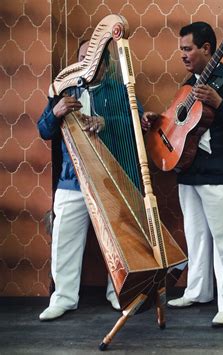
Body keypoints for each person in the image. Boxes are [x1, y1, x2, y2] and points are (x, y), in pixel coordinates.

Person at [142, 22, 223, 327]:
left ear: (207, 49)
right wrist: (157, 121)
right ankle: (198, 291)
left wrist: (220, 103)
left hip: (220, 174)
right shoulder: (186, 86)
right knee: (196, 237)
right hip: (188, 172)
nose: (182, 55)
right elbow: (177, 124)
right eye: (181, 49)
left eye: (188, 48)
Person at [37, 40, 143, 321]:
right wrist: (55, 112)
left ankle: (116, 293)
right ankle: (63, 298)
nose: (88, 63)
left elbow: (139, 122)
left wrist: (106, 122)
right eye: (83, 57)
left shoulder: (120, 91)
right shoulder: (64, 91)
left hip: (111, 180)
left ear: (106, 66)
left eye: (94, 58)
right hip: (71, 180)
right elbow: (43, 130)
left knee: (119, 242)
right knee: (64, 240)